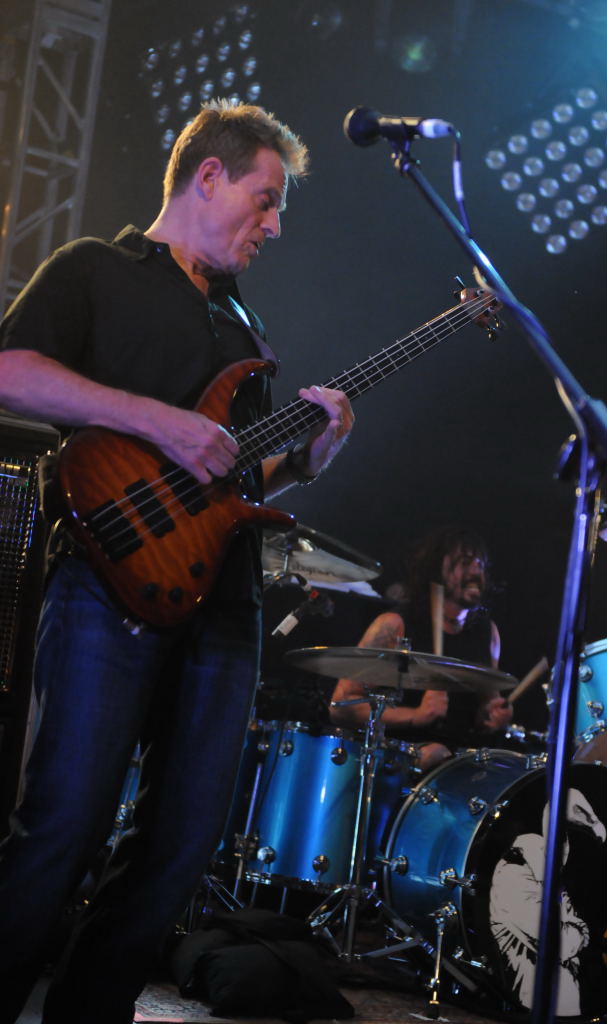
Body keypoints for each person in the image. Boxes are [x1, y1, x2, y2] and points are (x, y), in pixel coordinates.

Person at [0, 100, 353, 1024]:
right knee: (64, 824)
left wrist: (308, 458)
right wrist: (156, 420)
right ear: (209, 175)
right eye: (266, 200)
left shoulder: (245, 325)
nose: (274, 226)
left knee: (178, 850)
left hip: (223, 604)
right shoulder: (96, 269)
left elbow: (232, 477)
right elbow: (10, 371)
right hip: (103, 581)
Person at [329, 525, 512, 767]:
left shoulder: (487, 632)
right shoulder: (395, 625)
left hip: (461, 763)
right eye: (465, 562)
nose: (476, 571)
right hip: (399, 761)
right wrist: (415, 716)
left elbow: (487, 704)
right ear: (437, 568)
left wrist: (492, 715)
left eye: (481, 564)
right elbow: (341, 707)